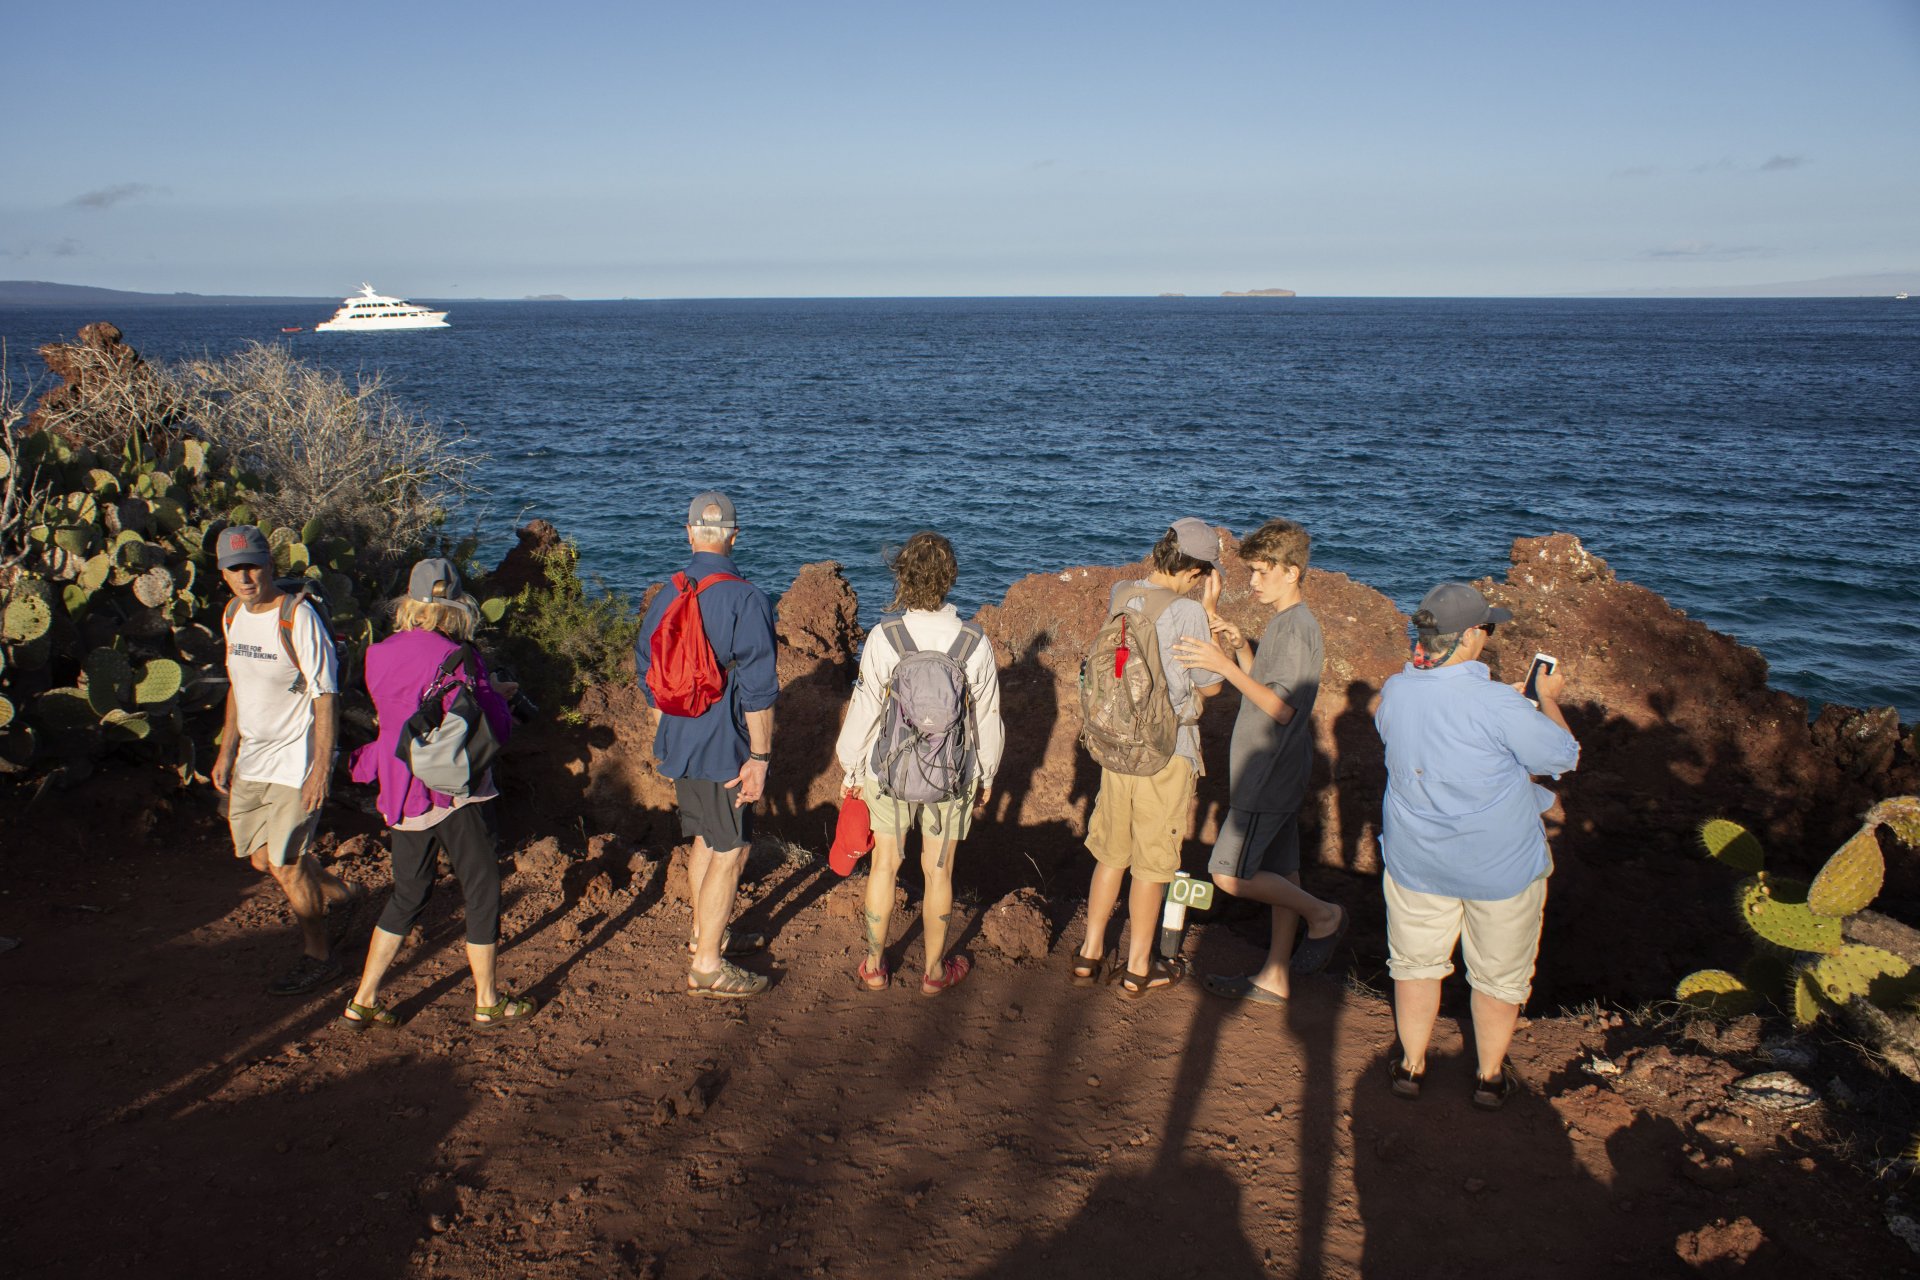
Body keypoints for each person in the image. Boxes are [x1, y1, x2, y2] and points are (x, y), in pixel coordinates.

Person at [1373, 581, 1579, 1109]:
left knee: (1415, 965)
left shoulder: (1397, 690)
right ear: (1467, 636)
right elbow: (1560, 757)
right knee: (1498, 976)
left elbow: (1423, 734)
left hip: (1416, 860)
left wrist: (1501, 708)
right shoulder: (1496, 705)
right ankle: (1488, 1078)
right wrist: (1545, 703)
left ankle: (1411, 1067)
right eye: (1486, 627)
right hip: (1499, 868)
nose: (1488, 634)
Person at [341, 558, 532, 1029]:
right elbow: (490, 727)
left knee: (408, 893)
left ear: (410, 604)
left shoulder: (379, 653)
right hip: (452, 791)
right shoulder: (458, 657)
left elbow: (399, 714)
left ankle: (363, 997)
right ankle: (487, 999)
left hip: (400, 789)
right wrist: (498, 696)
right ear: (456, 606)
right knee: (483, 888)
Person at [1172, 518, 1346, 1006]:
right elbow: (1270, 688)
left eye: (1262, 573)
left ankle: (1325, 915)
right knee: (1282, 875)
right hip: (1279, 768)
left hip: (1267, 771)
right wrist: (1240, 646)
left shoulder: (1295, 629)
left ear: (1292, 572)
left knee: (1230, 874)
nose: (1253, 582)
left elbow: (1282, 709)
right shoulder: (1287, 624)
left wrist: (1224, 666)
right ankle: (1275, 976)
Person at [834, 531, 1004, 996]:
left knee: (885, 865)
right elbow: (986, 715)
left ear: (903, 577)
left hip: (888, 774)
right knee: (939, 870)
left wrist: (851, 768)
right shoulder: (974, 642)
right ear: (950, 578)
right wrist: (986, 772)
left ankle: (874, 964)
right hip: (951, 777)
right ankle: (933, 971)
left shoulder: (885, 637)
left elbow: (867, 706)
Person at [1073, 518, 1226, 997]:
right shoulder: (1190, 612)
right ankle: (1139, 965)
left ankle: (1090, 952)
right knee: (1152, 863)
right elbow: (1212, 684)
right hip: (1167, 752)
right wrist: (1210, 609)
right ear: (1197, 570)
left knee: (1111, 854)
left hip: (1117, 746)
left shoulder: (1122, 593)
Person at [635, 491, 779, 999]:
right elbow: (759, 694)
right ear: (734, 536)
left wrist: (672, 729)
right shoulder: (747, 599)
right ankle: (706, 967)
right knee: (732, 850)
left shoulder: (665, 596)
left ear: (689, 532)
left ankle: (705, 933)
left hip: (680, 740)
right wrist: (758, 758)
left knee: (704, 840)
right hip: (728, 748)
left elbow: (647, 679)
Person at [211, 524, 360, 996]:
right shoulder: (232, 615)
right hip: (252, 760)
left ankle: (318, 956)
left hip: (295, 762)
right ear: (223, 574)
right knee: (261, 861)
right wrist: (226, 748)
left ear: (270, 563)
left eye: (252, 565)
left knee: (288, 863)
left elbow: (325, 695)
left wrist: (320, 766)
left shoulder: (298, 618)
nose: (245, 577)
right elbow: (239, 684)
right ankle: (341, 896)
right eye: (234, 569)